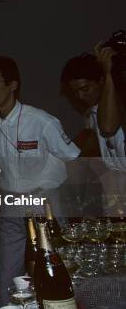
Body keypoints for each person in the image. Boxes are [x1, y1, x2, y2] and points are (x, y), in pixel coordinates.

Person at [0, 56, 81, 306]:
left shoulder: (41, 121)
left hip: (45, 202)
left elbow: (74, 158)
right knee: (7, 274)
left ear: (13, 84)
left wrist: (75, 205)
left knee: (59, 266)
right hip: (11, 202)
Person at [61, 46, 125, 213]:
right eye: (75, 92)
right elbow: (95, 159)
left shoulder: (119, 103)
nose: (80, 96)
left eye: (85, 89)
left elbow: (109, 127)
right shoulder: (92, 114)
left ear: (101, 81)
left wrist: (108, 72)